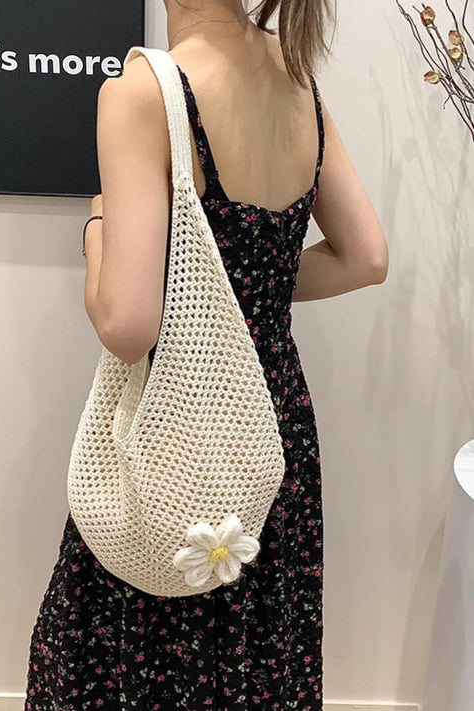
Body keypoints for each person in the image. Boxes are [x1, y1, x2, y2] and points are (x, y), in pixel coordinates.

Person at [24, 0, 388, 708]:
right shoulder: (296, 76)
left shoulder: (143, 91)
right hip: (272, 421)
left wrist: (95, 228)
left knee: (146, 633)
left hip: (176, 420)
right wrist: (249, 285)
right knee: (255, 641)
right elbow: (364, 258)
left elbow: (127, 324)